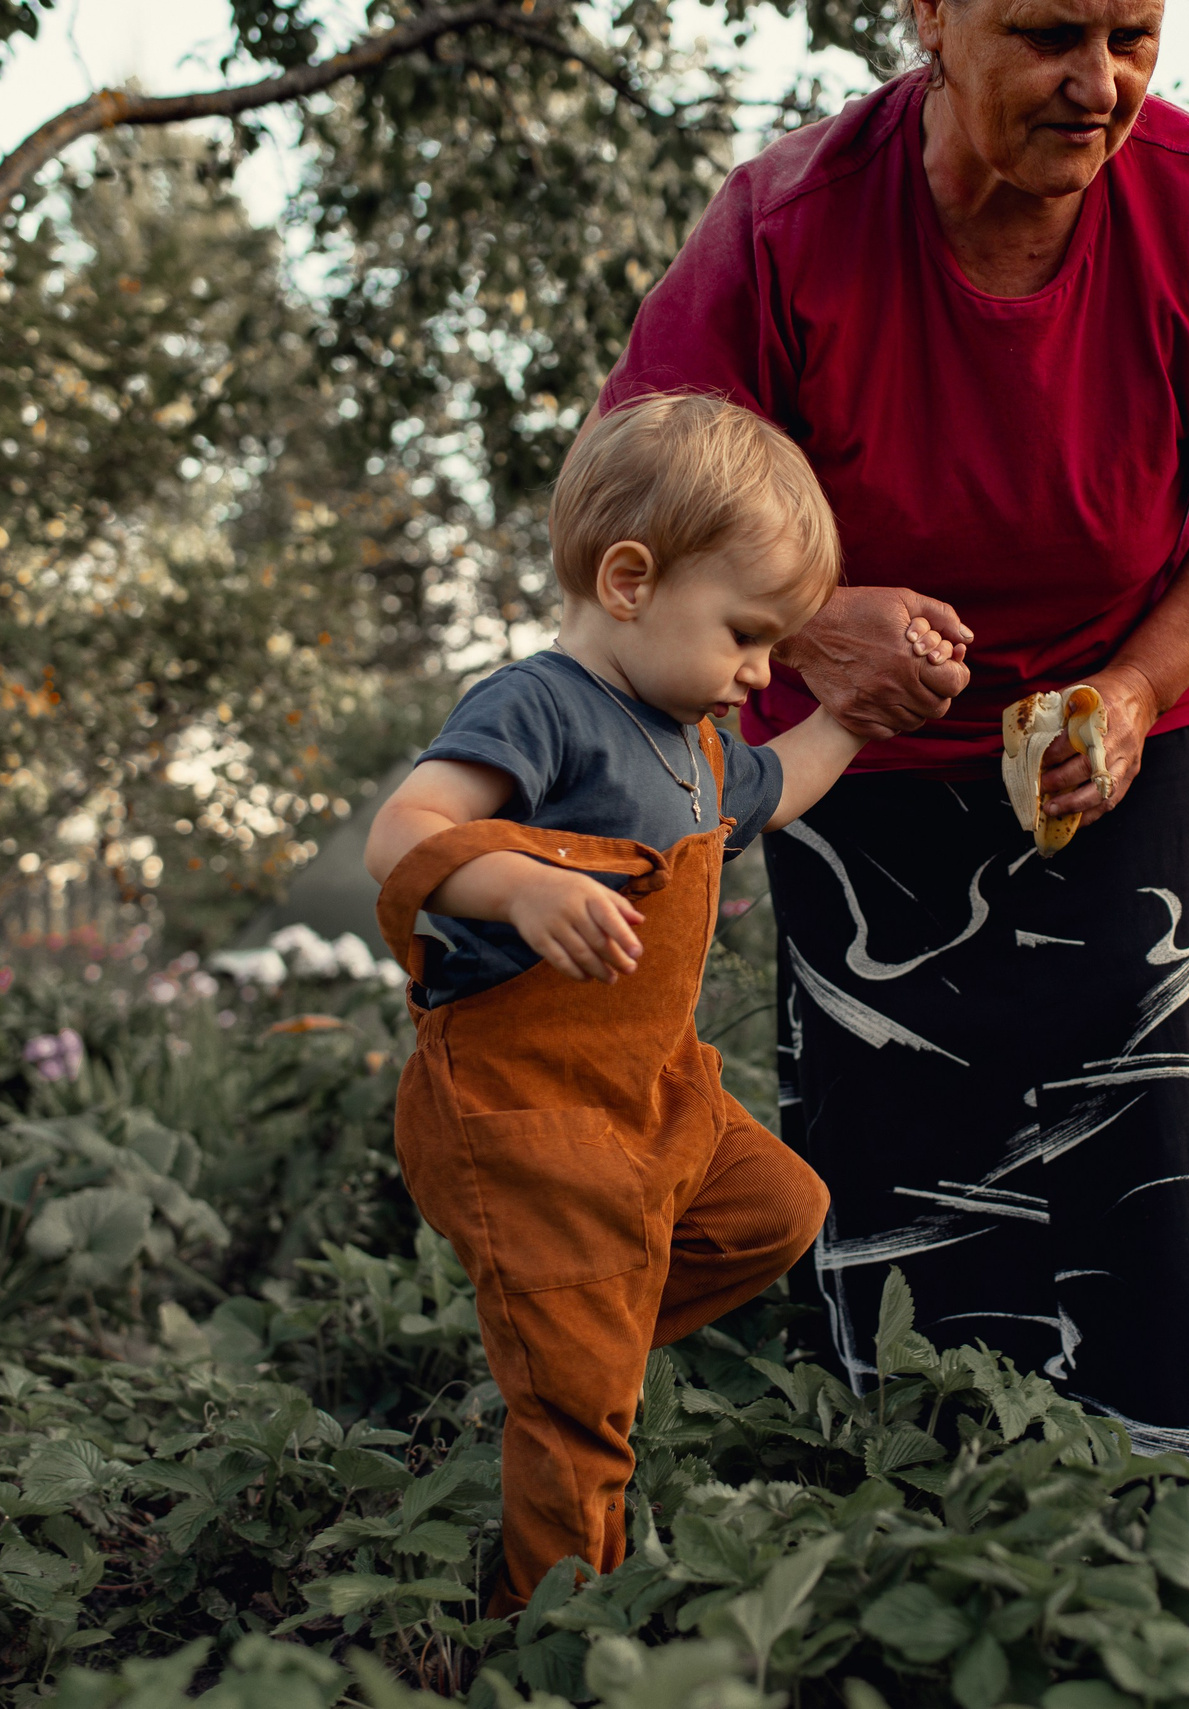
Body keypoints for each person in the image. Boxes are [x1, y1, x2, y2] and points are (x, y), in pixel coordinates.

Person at [599, 0, 1189, 1639]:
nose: (1103, 84)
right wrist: (804, 624)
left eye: (1134, 31)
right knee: (901, 1146)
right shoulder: (785, 230)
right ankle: (937, 1546)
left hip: (1118, 742)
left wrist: (1140, 688)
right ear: (929, 15)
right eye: (1051, 32)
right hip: (858, 759)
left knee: (1150, 1130)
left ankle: (1184, 1564)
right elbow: (620, 506)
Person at [361, 393, 959, 1614]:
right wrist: (520, 880)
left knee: (777, 1208)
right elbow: (403, 831)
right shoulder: (537, 704)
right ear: (630, 579)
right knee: (582, 1414)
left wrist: (855, 712)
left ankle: (560, 1354)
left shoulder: (690, 737)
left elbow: (779, 787)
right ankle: (558, 1630)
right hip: (519, 1103)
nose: (758, 673)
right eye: (747, 634)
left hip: (646, 1093)